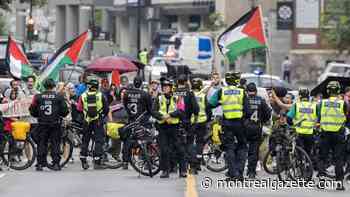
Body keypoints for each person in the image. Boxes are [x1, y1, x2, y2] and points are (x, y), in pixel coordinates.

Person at [209, 71, 248, 181]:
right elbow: (248, 111)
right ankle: (240, 173)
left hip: (227, 124)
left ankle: (233, 174)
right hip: (240, 124)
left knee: (229, 148)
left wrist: (220, 103)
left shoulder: (222, 91)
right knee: (242, 147)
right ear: (237, 80)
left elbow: (211, 104)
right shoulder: (241, 92)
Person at [29, 78, 69, 171]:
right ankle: (55, 163)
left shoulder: (38, 97)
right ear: (53, 86)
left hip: (42, 123)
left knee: (41, 143)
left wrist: (37, 115)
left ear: (44, 86)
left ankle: (40, 164)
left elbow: (32, 109)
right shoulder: (59, 96)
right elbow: (65, 111)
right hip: (55, 123)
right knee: (55, 143)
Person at [317, 81, 348, 191]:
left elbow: (318, 117)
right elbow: (346, 117)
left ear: (328, 91)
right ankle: (339, 183)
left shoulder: (322, 103)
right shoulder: (343, 103)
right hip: (338, 134)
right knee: (338, 158)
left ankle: (321, 181)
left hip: (325, 133)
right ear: (339, 91)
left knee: (322, 157)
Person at [153, 79, 187, 178]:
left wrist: (170, 115)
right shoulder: (159, 98)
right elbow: (154, 111)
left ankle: (183, 171)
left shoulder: (178, 98)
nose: (165, 88)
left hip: (174, 127)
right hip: (162, 127)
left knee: (179, 148)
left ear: (171, 88)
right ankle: (165, 170)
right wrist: (162, 117)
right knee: (164, 149)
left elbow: (181, 111)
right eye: (163, 86)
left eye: (167, 86)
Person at [122, 76, 155, 169]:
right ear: (141, 84)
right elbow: (150, 109)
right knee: (145, 140)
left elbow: (125, 105)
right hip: (142, 120)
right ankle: (146, 162)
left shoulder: (126, 94)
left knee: (128, 141)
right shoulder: (145, 94)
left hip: (131, 120)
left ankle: (125, 162)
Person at [77, 77, 109, 170]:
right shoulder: (101, 95)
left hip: (87, 121)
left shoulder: (83, 96)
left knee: (85, 140)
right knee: (99, 140)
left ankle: (83, 159)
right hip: (98, 121)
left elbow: (79, 109)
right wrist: (102, 115)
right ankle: (97, 161)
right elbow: (106, 109)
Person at [244, 82, 271, 179]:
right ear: (255, 91)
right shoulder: (261, 100)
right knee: (254, 151)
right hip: (256, 128)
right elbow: (268, 114)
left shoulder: (244, 100)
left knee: (241, 149)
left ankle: (238, 171)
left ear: (247, 91)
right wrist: (262, 121)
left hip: (244, 128)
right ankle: (251, 172)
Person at [287, 88, 317, 157]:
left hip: (299, 133)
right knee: (308, 153)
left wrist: (292, 125)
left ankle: (300, 164)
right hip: (310, 133)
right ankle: (307, 165)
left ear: (299, 96)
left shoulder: (296, 105)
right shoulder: (314, 106)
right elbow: (320, 116)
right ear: (308, 96)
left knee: (299, 153)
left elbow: (288, 118)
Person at [188, 78, 209, 174]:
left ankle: (193, 164)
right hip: (202, 121)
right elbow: (208, 109)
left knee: (191, 143)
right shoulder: (203, 95)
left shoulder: (189, 95)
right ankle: (198, 164)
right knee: (200, 143)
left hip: (192, 122)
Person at [107, 87, 128, 162]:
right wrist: (111, 121)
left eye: (125, 92)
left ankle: (122, 156)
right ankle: (113, 153)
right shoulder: (115, 102)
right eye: (122, 92)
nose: (124, 94)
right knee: (116, 141)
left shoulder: (128, 102)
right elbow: (109, 110)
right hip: (116, 123)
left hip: (125, 123)